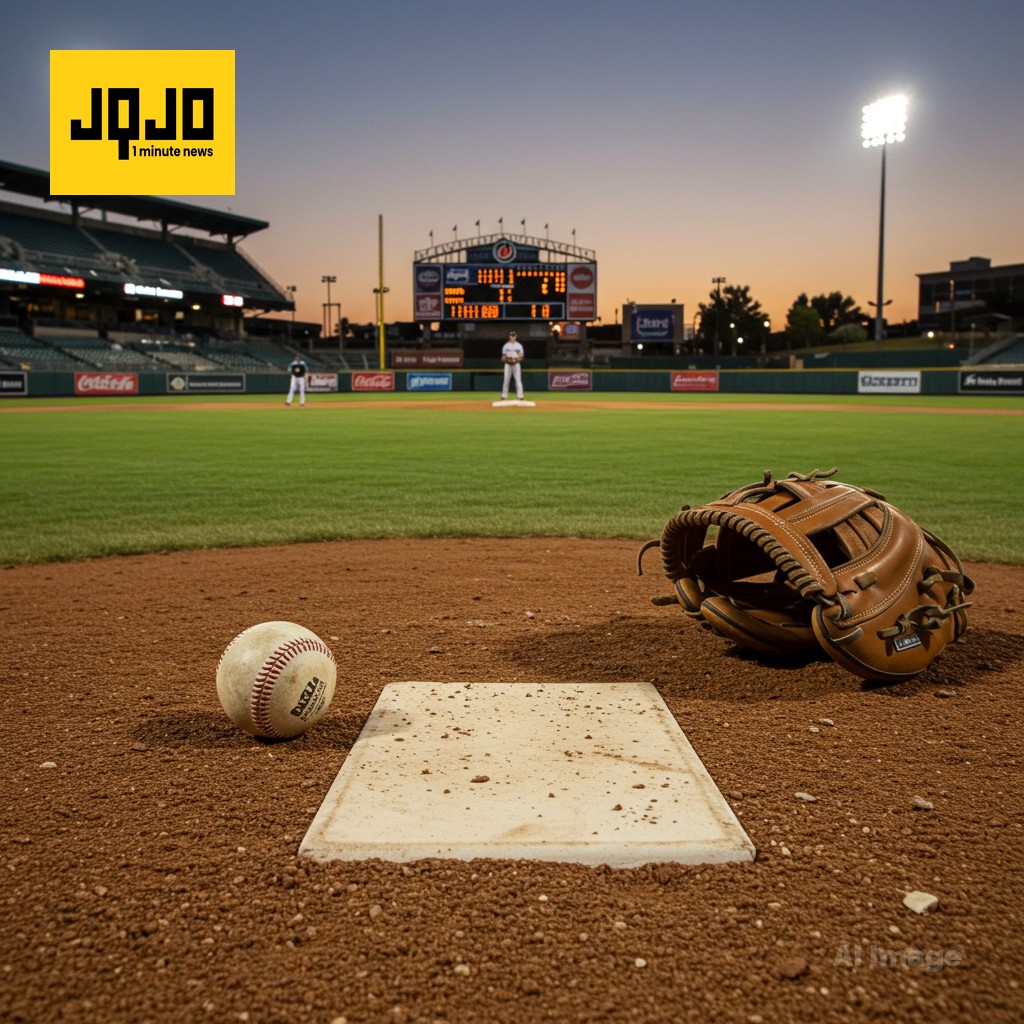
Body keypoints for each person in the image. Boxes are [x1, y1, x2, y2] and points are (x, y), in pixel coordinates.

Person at [500, 331, 525, 400]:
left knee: (518, 380)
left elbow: (521, 356)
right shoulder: (506, 345)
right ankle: (504, 396)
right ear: (509, 336)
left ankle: (520, 396)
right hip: (508, 364)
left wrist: (516, 360)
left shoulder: (519, 345)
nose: (512, 337)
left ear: (516, 337)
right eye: (511, 336)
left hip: (516, 364)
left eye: (514, 336)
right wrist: (507, 360)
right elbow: (503, 357)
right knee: (506, 380)